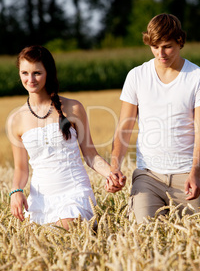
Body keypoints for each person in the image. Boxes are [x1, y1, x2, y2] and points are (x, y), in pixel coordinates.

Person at [107, 13, 200, 224]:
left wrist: (195, 173)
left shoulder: (199, 77)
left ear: (180, 41)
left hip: (186, 174)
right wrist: (114, 169)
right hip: (148, 176)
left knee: (196, 237)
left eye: (167, 46)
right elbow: (124, 128)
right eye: (155, 47)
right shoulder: (136, 76)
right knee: (144, 233)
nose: (161, 53)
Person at [7, 45, 125, 230]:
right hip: (41, 201)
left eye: (37, 73)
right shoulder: (16, 120)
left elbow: (90, 155)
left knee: (64, 230)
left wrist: (111, 174)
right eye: (25, 73)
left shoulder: (73, 108)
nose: (30, 79)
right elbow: (21, 169)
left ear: (48, 73)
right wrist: (16, 191)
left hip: (75, 194)